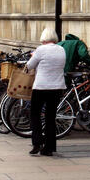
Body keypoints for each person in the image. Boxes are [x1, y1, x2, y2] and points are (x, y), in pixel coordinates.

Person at [26, 28, 66, 156]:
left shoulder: (40, 50)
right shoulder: (61, 49)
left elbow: (29, 66)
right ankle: (49, 147)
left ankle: (37, 143)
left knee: (35, 114)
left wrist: (33, 57)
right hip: (57, 87)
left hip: (41, 87)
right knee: (50, 117)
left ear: (43, 38)